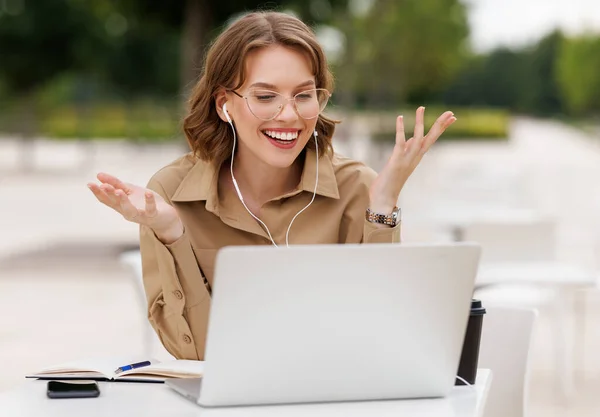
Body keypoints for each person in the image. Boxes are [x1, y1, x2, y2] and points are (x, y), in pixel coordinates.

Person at [87, 11, 456, 360]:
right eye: (265, 97)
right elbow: (198, 355)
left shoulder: (358, 187)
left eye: (304, 95)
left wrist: (383, 207)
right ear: (223, 105)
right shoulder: (168, 195)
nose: (289, 115)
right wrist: (172, 232)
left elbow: (382, 333)